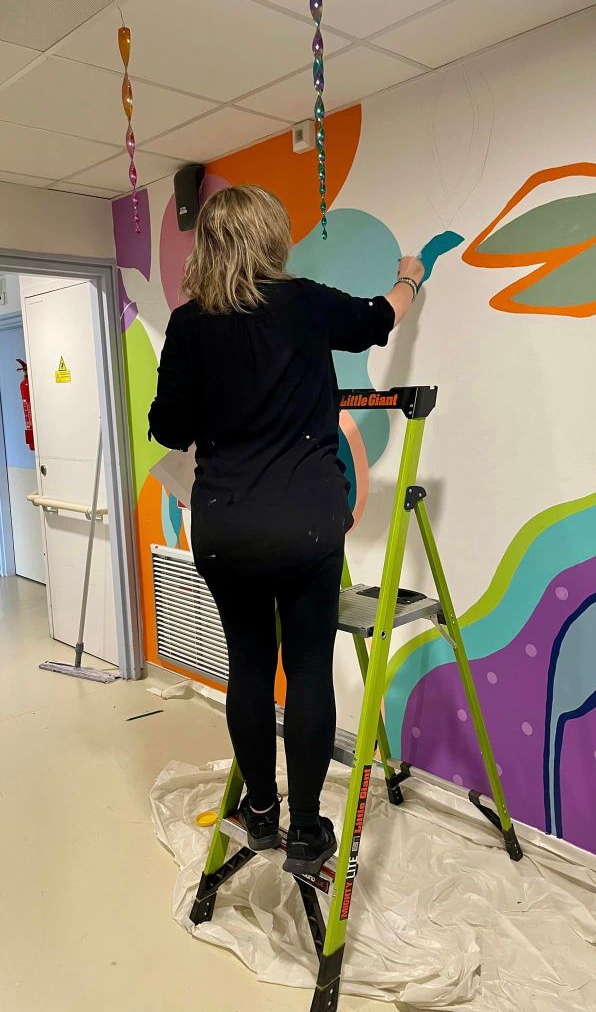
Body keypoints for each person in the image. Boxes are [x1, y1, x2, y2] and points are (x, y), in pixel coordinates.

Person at [149, 185, 424, 875]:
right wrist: (409, 279)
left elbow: (167, 427)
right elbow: (379, 320)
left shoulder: (189, 324)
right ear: (270, 237)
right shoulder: (304, 303)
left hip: (227, 528)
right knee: (306, 669)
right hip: (306, 525)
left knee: (249, 666)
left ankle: (261, 813)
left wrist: (220, 402)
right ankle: (306, 830)